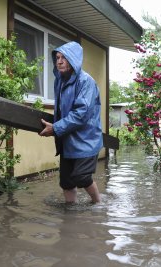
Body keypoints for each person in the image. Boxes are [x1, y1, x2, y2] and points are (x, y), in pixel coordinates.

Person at [39, 41, 103, 204]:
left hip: (86, 138)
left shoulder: (86, 81)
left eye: (64, 58)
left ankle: (98, 203)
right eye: (57, 58)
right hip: (67, 137)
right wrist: (56, 129)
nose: (59, 61)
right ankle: (70, 210)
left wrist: (56, 128)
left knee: (81, 177)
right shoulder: (59, 80)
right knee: (66, 181)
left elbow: (81, 114)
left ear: (74, 60)